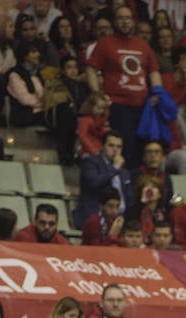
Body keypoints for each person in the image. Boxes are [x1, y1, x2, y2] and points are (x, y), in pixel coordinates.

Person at [86, 5, 161, 169]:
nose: (125, 22)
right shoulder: (105, 43)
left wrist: (158, 92)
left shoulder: (143, 45)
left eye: (128, 18)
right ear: (114, 22)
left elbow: (153, 72)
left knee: (143, 149)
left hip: (143, 107)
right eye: (121, 18)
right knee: (125, 148)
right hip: (118, 105)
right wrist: (97, 94)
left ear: (133, 21)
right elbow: (91, 69)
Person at [73, 131, 133, 229]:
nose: (115, 150)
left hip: (119, 220)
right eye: (111, 145)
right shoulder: (90, 162)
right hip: (94, 217)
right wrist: (115, 168)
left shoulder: (124, 171)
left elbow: (129, 198)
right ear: (103, 146)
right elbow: (95, 182)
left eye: (119, 147)